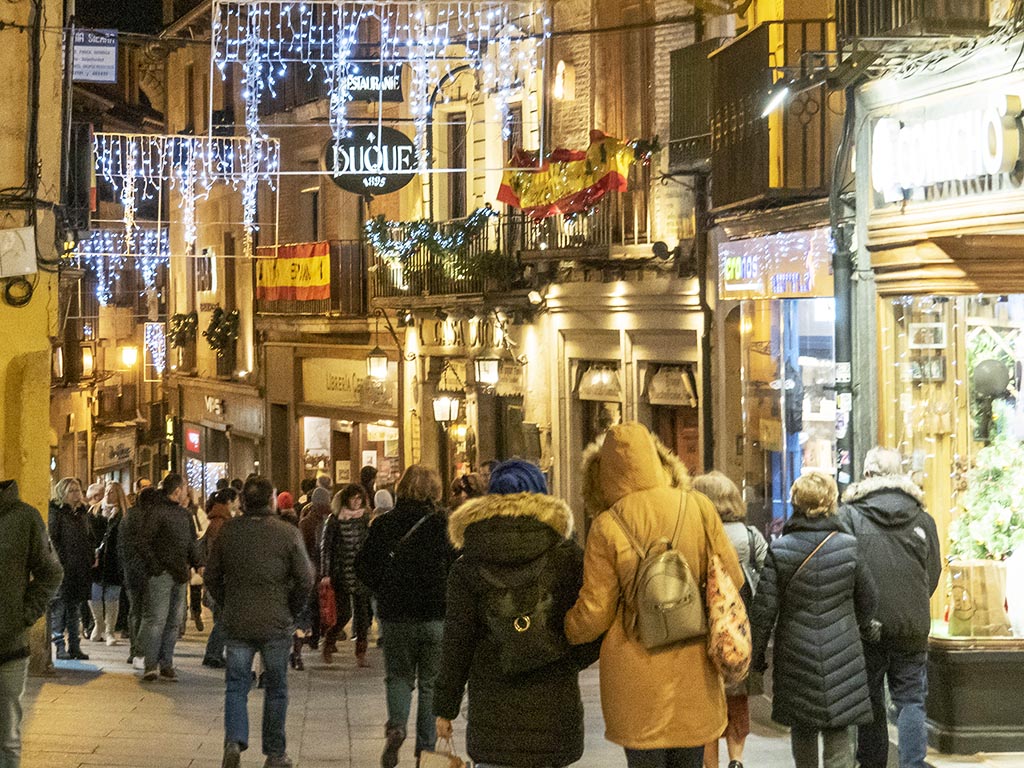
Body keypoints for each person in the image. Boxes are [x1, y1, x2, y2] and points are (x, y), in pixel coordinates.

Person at [565, 422, 744, 768]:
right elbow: (730, 577)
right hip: (694, 666)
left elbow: (596, 611)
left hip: (635, 674)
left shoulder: (606, 524)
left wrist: (568, 629)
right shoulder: (699, 506)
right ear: (658, 459)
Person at [434, 460, 601, 768]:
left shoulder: (467, 564)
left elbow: (457, 642)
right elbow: (596, 621)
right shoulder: (567, 557)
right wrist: (566, 657)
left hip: (493, 714)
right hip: (553, 713)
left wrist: (445, 706)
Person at [750, 472, 878, 768]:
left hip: (796, 653)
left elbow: (764, 611)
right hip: (843, 652)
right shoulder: (849, 545)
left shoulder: (781, 550)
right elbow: (869, 599)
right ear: (831, 502)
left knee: (803, 727)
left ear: (796, 503)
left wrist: (756, 657)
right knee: (838, 730)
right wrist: (859, 627)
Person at [839, 448, 941, 768]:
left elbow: (844, 570)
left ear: (868, 474)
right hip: (912, 624)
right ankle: (913, 764)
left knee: (870, 702)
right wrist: (913, 604)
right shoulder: (923, 517)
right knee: (910, 700)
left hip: (867, 625)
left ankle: (872, 763)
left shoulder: (850, 516)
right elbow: (933, 572)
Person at [205, 475, 314, 768]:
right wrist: (291, 608)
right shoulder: (287, 533)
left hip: (238, 620)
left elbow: (212, 576)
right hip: (276, 621)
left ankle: (234, 742)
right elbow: (305, 578)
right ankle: (275, 753)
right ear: (270, 500)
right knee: (276, 687)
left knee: (236, 685)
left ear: (242, 502)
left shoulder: (229, 532)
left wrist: (227, 602)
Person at [355, 464, 455, 768]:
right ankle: (425, 750)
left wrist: (381, 588)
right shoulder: (444, 525)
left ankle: (397, 726)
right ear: (435, 490)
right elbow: (457, 567)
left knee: (398, 676)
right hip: (436, 614)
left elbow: (363, 567)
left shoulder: (384, 524)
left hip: (396, 614)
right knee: (430, 683)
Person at [692, 471, 769, 768]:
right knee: (737, 696)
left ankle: (710, 762)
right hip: (738, 627)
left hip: (702, 626)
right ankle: (736, 759)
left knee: (706, 700)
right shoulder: (750, 536)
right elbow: (765, 579)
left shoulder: (696, 534)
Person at [0, 479, 63, 768]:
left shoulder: (23, 518)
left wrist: (23, 615)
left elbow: (51, 573)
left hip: (8, 648)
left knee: (6, 739)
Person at [137, 473, 202, 682]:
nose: (187, 491)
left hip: (180, 574)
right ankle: (151, 664)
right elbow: (144, 542)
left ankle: (167, 663)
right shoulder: (157, 512)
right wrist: (155, 567)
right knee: (157, 619)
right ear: (177, 491)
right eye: (185, 488)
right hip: (163, 574)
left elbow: (191, 542)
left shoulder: (184, 514)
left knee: (173, 621)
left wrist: (198, 563)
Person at [321, 484, 372, 666]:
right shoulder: (334, 519)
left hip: (361, 572)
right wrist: (325, 573)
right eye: (353, 498)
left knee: (363, 615)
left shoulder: (366, 518)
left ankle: (361, 653)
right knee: (343, 614)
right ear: (346, 499)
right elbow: (326, 548)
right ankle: (329, 641)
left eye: (360, 498)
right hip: (342, 571)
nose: (357, 502)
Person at [48, 478, 95, 661]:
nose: (76, 494)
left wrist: (90, 555)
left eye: (77, 490)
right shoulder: (57, 513)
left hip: (80, 568)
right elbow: (54, 540)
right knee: (59, 608)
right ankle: (59, 647)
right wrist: (60, 563)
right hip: (64, 568)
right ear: (62, 494)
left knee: (74, 609)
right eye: (72, 490)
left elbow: (89, 537)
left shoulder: (82, 513)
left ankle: (75, 647)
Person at [120, 486, 159, 668]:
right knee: (147, 613)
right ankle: (141, 651)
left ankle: (134, 650)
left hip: (130, 570)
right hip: (147, 570)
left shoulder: (128, 516)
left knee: (134, 611)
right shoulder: (149, 518)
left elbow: (121, 546)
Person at [87, 482, 127, 646]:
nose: (108, 495)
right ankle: (99, 624)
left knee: (112, 596)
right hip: (96, 560)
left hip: (114, 561)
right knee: (94, 594)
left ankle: (109, 631)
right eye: (107, 492)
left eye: (112, 492)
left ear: (118, 495)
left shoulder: (123, 514)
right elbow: (88, 535)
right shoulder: (94, 511)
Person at [202, 488, 237, 669]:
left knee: (221, 618)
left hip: (218, 576)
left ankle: (215, 652)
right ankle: (213, 653)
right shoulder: (221, 523)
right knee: (223, 618)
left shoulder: (219, 521)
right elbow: (218, 553)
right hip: (220, 576)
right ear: (229, 502)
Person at [297, 486, 332, 655]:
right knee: (323, 602)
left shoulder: (306, 522)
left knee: (313, 603)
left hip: (311, 566)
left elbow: (302, 547)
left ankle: (314, 636)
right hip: (324, 567)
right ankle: (322, 633)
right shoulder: (330, 520)